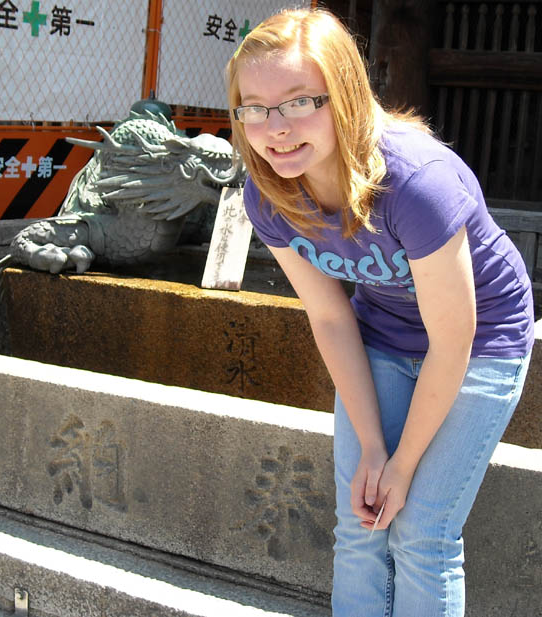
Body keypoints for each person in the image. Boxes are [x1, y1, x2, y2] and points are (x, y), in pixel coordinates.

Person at [226, 8, 534, 617]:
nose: (275, 129)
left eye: (297, 102)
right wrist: (372, 446)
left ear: (343, 92)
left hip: (481, 341)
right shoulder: (268, 192)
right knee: (360, 520)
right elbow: (330, 316)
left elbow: (455, 339)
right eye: (253, 108)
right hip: (384, 333)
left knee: (422, 531)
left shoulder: (416, 182)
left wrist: (404, 463)